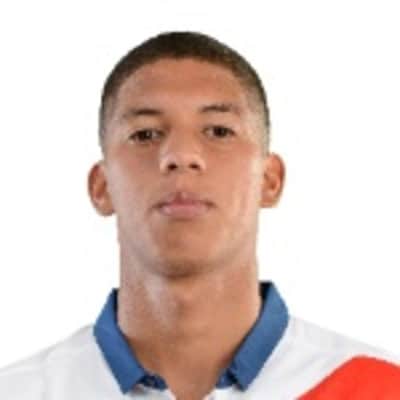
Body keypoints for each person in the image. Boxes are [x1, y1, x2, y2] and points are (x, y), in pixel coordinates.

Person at [0, 30, 399, 400]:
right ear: (102, 187)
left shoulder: (379, 387)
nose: (180, 155)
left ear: (270, 180)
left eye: (219, 131)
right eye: (145, 134)